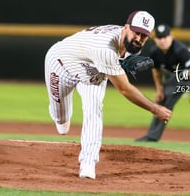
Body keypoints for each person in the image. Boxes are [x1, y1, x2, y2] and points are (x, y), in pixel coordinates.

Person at [44, 11, 172, 180]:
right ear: (126, 27)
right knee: (62, 124)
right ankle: (60, 116)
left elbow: (119, 60)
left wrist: (121, 65)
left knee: (94, 109)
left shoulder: (131, 45)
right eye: (136, 32)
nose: (139, 38)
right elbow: (124, 88)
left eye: (144, 35)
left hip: (94, 74)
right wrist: (155, 109)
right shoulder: (104, 47)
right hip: (61, 66)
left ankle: (88, 163)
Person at [135, 23, 190, 146]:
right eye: (159, 37)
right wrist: (159, 90)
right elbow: (156, 71)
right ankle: (152, 136)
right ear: (155, 39)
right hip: (180, 75)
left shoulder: (179, 49)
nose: (162, 40)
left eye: (165, 37)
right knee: (163, 99)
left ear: (171, 37)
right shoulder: (155, 52)